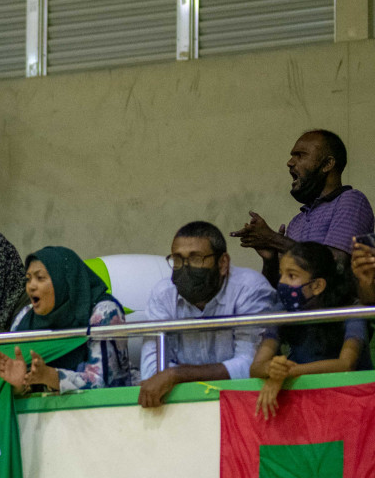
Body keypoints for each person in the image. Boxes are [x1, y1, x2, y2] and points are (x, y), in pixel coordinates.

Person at [137, 221, 277, 408]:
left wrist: (177, 375)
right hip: (180, 405)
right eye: (178, 260)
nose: (185, 267)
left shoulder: (250, 289)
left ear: (222, 263)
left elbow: (250, 366)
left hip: (243, 404)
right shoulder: (163, 294)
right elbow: (151, 371)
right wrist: (170, 376)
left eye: (196, 258)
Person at [233, 129, 374, 283]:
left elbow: (336, 267)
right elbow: (277, 292)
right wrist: (271, 258)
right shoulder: (297, 222)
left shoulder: (351, 200)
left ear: (327, 164)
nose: (290, 162)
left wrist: (275, 240)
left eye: (300, 155)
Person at [0, 247, 130, 394]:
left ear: (64, 280)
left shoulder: (104, 312)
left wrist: (50, 376)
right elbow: (19, 390)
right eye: (28, 279)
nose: (31, 286)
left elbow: (105, 383)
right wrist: (18, 385)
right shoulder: (25, 317)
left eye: (40, 278)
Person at [252, 241, 369, 419]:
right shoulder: (279, 311)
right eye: (281, 274)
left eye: (291, 276)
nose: (281, 282)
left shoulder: (350, 311)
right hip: (306, 406)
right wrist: (273, 369)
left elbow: (345, 364)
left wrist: (287, 373)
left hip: (354, 405)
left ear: (317, 286)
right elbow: (256, 368)